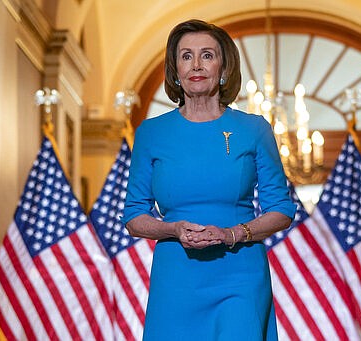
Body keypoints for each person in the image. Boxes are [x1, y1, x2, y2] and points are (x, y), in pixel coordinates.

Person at [122, 19, 296, 340]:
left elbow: (281, 210)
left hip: (239, 275)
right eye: (186, 56)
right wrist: (172, 229)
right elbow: (134, 217)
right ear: (175, 69)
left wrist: (233, 233)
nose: (196, 65)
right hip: (176, 279)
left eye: (207, 55)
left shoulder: (254, 129)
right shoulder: (150, 133)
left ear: (224, 66)